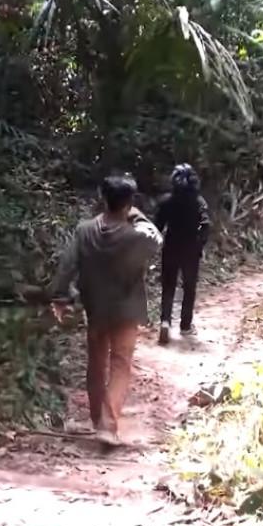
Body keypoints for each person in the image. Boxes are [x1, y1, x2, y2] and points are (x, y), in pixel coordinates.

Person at [49, 174, 163, 446]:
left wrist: (60, 297)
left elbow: (67, 266)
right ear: (130, 202)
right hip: (126, 308)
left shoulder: (85, 229)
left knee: (96, 363)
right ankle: (108, 425)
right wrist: (137, 215)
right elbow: (157, 239)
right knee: (121, 364)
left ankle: (96, 419)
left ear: (102, 198)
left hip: (95, 306)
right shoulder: (136, 233)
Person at [154, 163, 210, 345]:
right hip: (191, 250)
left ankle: (165, 321)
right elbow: (206, 225)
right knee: (189, 287)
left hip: (170, 247)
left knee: (168, 287)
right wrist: (200, 243)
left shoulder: (166, 201)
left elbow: (157, 227)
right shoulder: (199, 202)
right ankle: (185, 326)